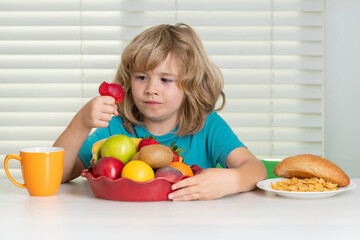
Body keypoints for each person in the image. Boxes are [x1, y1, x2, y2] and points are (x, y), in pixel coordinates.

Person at [53, 23, 267, 201]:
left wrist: (234, 180)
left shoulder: (208, 125)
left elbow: (256, 169)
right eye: (141, 77)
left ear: (190, 85)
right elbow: (56, 174)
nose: (151, 89)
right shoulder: (115, 127)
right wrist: (81, 122)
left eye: (165, 80)